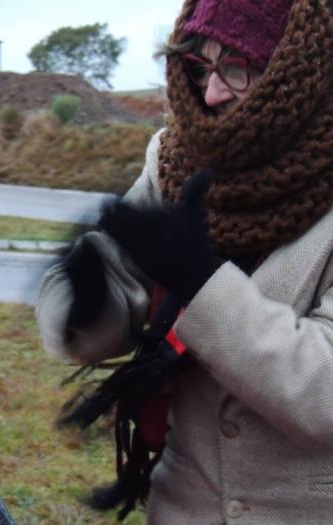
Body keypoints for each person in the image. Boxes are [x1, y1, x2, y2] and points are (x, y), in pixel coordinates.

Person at [35, 0, 333, 522]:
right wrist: (89, 300)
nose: (212, 94)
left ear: (306, 68)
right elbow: (109, 309)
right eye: (199, 68)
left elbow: (324, 396)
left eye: (237, 67)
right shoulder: (175, 159)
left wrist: (200, 283)